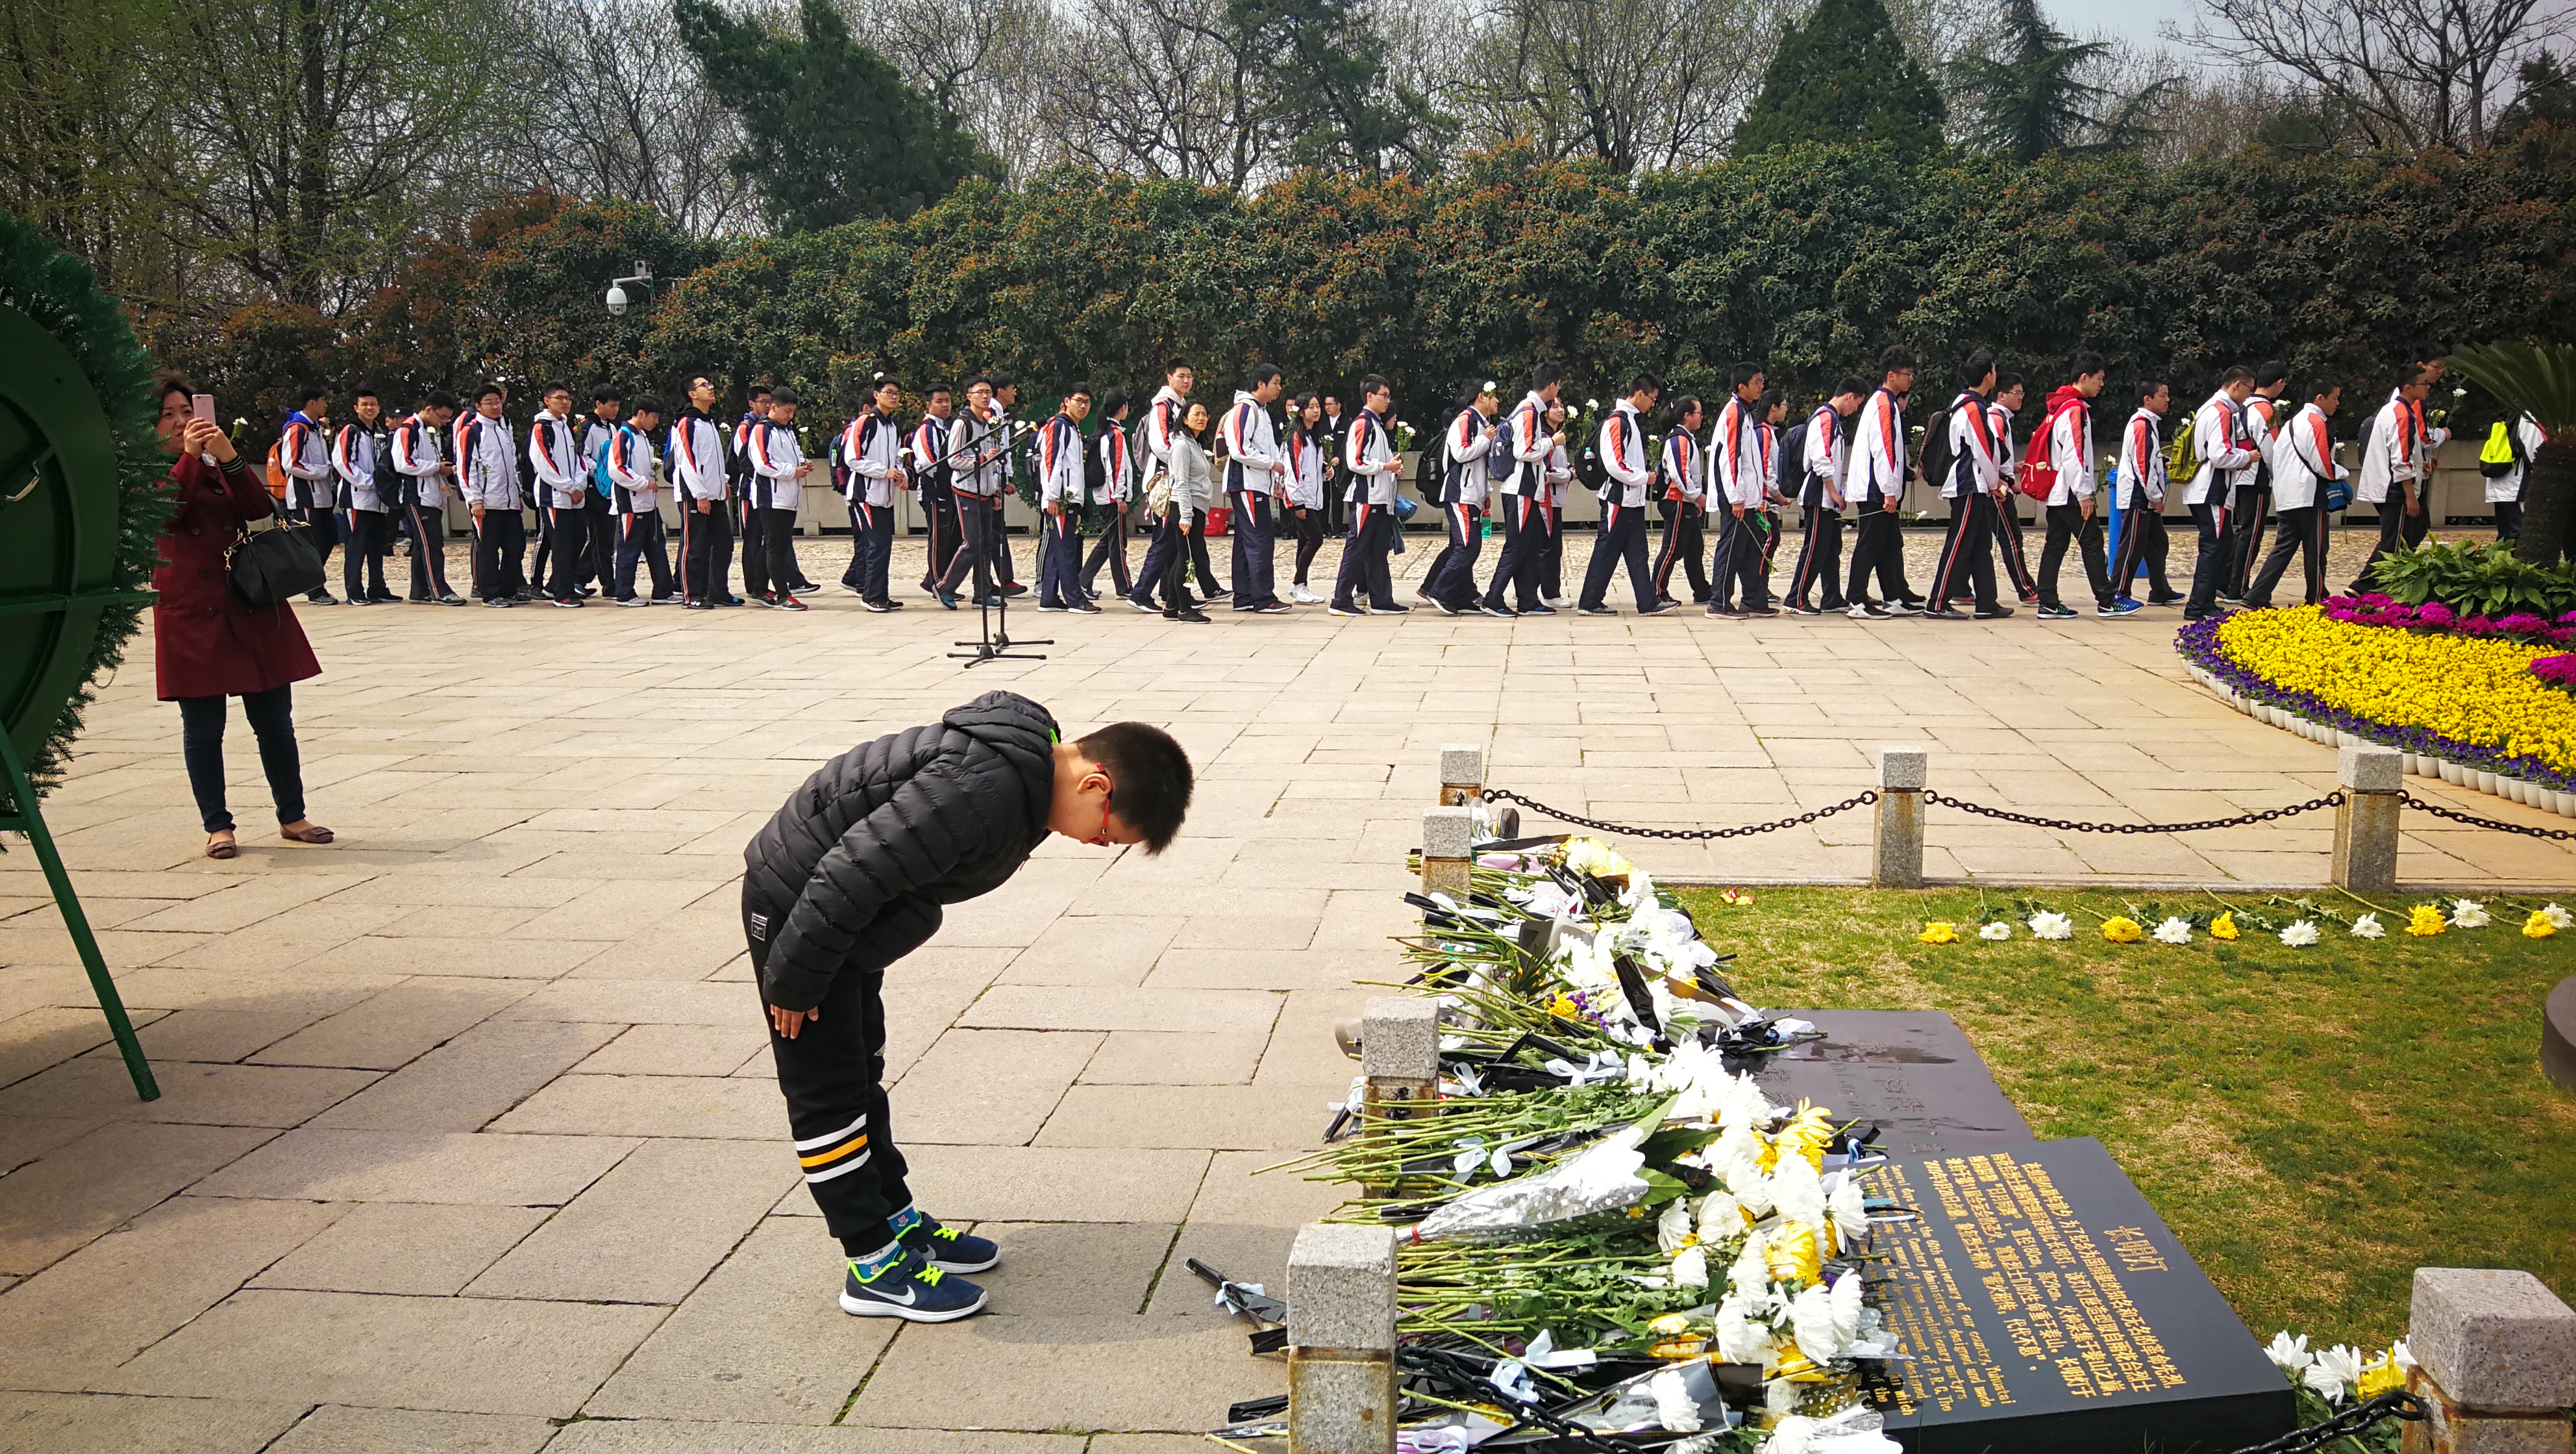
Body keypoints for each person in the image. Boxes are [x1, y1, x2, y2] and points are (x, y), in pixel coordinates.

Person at [743, 692, 1191, 1322]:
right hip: (801, 913)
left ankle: (895, 1221)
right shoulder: (980, 790)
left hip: (842, 925)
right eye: (1103, 834)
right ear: (1095, 784)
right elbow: (847, 873)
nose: (1092, 842)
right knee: (827, 1095)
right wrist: (792, 984)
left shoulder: (1021, 777)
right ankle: (871, 1264)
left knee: (861, 1073)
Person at [149, 373, 333, 859]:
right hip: (192, 609)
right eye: (168, 415)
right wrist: (191, 459)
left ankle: (292, 815)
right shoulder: (143, 472)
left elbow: (258, 511)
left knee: (276, 722)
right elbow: (166, 513)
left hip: (249, 599)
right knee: (203, 728)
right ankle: (217, 825)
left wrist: (229, 458)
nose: (181, 422)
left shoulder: (217, 462)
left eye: (187, 411)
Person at [2032, 354, 2127, 620]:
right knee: (2092, 542)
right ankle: (2107, 600)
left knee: (2055, 545)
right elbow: (2075, 453)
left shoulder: (2059, 406)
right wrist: (2084, 494)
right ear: (2084, 377)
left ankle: (2048, 602)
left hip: (2057, 491)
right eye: (2099, 379)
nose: (2102, 384)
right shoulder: (2075, 409)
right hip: (2071, 492)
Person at [2244, 382, 2347, 609]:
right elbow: (2322, 464)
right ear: (2320, 398)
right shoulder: (2316, 422)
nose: (2337, 403)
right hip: (2309, 495)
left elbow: (2276, 457)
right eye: (2335, 397)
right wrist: (2341, 473)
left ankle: (2257, 595)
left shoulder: (2291, 423)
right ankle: (2316, 597)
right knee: (2316, 549)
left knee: (2284, 548)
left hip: (2286, 495)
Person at [1577, 374, 1670, 616]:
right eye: (1652, 399)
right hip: (1618, 499)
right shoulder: (1618, 422)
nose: (1653, 404)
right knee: (1607, 550)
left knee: (1638, 553)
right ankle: (1589, 601)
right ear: (1639, 394)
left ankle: (1647, 602)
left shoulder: (1629, 421)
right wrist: (1644, 478)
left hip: (1632, 500)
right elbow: (1615, 465)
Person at [1924, 352, 2008, 620]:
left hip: (1972, 483)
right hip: (1968, 483)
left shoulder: (1965, 403)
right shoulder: (1973, 408)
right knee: (1958, 544)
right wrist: (1995, 483)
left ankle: (1987, 602)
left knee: (1981, 545)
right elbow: (1982, 449)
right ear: (1988, 376)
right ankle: (1937, 602)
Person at [1844, 347, 1924, 618]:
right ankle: (1856, 600)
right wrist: (1889, 490)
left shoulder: (1887, 403)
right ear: (1891, 375)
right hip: (1875, 489)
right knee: (1870, 545)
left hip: (1880, 487)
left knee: (1890, 545)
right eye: (1907, 374)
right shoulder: (1883, 404)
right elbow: (1884, 450)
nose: (1911, 378)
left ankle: (1894, 597)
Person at [2181, 367, 2261, 620]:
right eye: (2249, 390)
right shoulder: (2221, 411)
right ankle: (2197, 606)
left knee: (2221, 544)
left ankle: (2205, 603)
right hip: (2212, 490)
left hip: (2204, 489)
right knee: (2213, 548)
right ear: (2237, 385)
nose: (2249, 396)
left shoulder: (2209, 408)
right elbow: (2220, 455)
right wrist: (2247, 457)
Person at [1482, 366, 1563, 617]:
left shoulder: (1531, 410)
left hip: (1527, 488)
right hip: (1520, 488)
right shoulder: (1529, 411)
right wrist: (1551, 442)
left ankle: (1528, 600)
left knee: (1529, 546)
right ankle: (1493, 599)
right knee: (1516, 546)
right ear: (1552, 385)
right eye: (1559, 385)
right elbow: (1524, 451)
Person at [2351, 368, 2436, 593]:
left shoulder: (2393, 410)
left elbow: (2402, 452)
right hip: (2394, 488)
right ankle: (2366, 585)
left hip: (2389, 484)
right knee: (2394, 541)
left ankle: (2381, 582)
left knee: (2410, 532)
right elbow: (2400, 459)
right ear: (2409, 387)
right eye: (2424, 383)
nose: (2428, 388)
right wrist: (2410, 497)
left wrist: (2419, 465)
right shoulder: (2402, 413)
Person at [1785, 379, 1864, 615]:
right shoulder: (1826, 418)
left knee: (1831, 548)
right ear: (1849, 396)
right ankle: (1796, 598)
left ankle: (1832, 597)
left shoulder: (1833, 419)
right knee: (1815, 548)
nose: (1856, 409)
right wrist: (1833, 492)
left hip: (1827, 496)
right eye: (1857, 403)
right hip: (1819, 495)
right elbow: (1821, 459)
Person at [1220, 365, 1292, 614]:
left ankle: (1244, 596)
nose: (1279, 388)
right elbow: (1239, 449)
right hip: (1246, 484)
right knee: (1260, 540)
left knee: (1245, 541)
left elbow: (1267, 447)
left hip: (1257, 484)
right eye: (1275, 382)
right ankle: (1263, 598)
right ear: (1260, 384)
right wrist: (1272, 465)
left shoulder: (1262, 412)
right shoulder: (1245, 409)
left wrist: (1275, 480)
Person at [1331, 375, 1405, 617]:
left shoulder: (1376, 425)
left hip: (1379, 497)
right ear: (1370, 396)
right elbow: (1356, 462)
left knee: (1377, 551)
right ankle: (1341, 600)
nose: (1387, 400)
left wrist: (1392, 468)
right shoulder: (1363, 423)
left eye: (1389, 396)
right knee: (1357, 548)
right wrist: (1386, 467)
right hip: (1366, 497)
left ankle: (1382, 600)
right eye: (1384, 395)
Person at [1424, 381, 1498, 617]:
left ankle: (1462, 596)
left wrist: (1486, 492)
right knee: (1468, 546)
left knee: (1465, 545)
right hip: (1461, 493)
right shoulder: (1466, 420)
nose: (1497, 401)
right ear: (1482, 396)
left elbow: (1480, 465)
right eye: (1494, 396)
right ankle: (1440, 592)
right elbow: (1461, 453)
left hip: (1472, 494)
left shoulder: (1480, 423)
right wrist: (1486, 440)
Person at [2220, 361, 2290, 604]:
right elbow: (2272, 450)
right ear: (2279, 383)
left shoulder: (2240, 406)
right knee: (2251, 535)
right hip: (2255, 476)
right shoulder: (2264, 409)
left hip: (2237, 474)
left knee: (2239, 531)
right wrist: (2279, 476)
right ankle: (2237, 587)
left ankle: (2226, 581)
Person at [838, 376, 909, 612]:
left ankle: (881, 595)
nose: (894, 397)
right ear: (877, 395)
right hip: (865, 494)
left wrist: (900, 474)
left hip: (885, 496)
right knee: (876, 545)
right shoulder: (865, 422)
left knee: (884, 545)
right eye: (889, 392)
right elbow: (853, 459)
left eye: (897, 393)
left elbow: (895, 458)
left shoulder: (892, 426)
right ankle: (870, 596)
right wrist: (883, 472)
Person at [1707, 363, 1772, 617]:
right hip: (1735, 497)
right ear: (1741, 386)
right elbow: (1730, 458)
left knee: (1750, 551)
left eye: (1761, 381)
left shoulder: (1745, 413)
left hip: (1748, 498)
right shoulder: (1734, 412)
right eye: (1756, 382)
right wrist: (1736, 498)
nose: (1761, 386)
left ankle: (1754, 599)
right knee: (1731, 550)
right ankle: (1719, 602)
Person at [938, 378, 1008, 609]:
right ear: (969, 397)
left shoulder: (987, 423)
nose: (985, 396)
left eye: (988, 392)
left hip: (986, 492)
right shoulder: (962, 423)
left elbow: (992, 461)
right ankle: (944, 587)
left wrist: (995, 491)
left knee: (986, 544)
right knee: (971, 544)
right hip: (967, 489)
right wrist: (981, 459)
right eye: (980, 392)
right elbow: (953, 459)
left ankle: (982, 593)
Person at [1130, 362, 1194, 613]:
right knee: (1165, 539)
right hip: (1164, 481)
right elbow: (1160, 444)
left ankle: (1173, 595)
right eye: (1181, 376)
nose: (1186, 381)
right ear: (1169, 378)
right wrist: (1182, 463)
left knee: (1174, 542)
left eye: (1189, 376)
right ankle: (1141, 593)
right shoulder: (1163, 405)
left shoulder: (1179, 405)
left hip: (1174, 478)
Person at [2109, 380, 2178, 608]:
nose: (2167, 400)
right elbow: (2142, 466)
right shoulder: (2141, 425)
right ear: (2147, 399)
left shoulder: (2149, 424)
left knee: (2157, 543)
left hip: (2143, 495)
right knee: (2132, 545)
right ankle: (2118, 593)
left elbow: (2150, 457)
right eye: (2162, 395)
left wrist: (2165, 462)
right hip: (2138, 496)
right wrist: (2156, 497)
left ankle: (2160, 590)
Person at [391, 392, 465, 605]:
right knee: (431, 544)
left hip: (432, 494)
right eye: (441, 417)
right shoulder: (408, 430)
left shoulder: (430, 431)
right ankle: (439, 589)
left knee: (422, 544)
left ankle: (420, 590)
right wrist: (436, 468)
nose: (443, 422)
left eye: (447, 419)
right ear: (429, 409)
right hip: (416, 496)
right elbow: (404, 463)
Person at [670, 374, 735, 609]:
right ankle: (692, 595)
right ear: (692, 394)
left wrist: (723, 482)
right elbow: (687, 461)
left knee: (724, 544)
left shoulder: (709, 422)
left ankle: (717, 592)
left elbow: (712, 459)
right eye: (704, 385)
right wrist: (700, 494)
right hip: (695, 496)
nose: (711, 388)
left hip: (714, 495)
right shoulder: (687, 423)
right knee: (695, 546)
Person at [461, 383, 528, 606]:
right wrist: (475, 500)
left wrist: (517, 494)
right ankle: (490, 593)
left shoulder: (503, 429)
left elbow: (511, 465)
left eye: (497, 402)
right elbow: (466, 468)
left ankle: (509, 589)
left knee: (516, 546)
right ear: (478, 406)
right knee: (488, 549)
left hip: (509, 502)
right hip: (487, 503)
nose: (495, 406)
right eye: (489, 403)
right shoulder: (471, 431)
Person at [607, 395, 676, 606]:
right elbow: (617, 469)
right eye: (654, 417)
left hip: (649, 504)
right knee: (629, 550)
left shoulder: (642, 437)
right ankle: (625, 593)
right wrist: (643, 483)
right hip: (631, 504)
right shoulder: (624, 435)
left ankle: (663, 591)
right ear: (641, 414)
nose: (656, 422)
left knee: (657, 547)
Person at [747, 388, 813, 610]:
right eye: (787, 411)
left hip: (789, 496)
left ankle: (759, 589)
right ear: (773, 407)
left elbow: (794, 456)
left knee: (776, 544)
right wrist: (792, 471)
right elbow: (763, 464)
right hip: (771, 497)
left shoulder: (788, 431)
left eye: (793, 412)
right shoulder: (762, 430)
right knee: (776, 547)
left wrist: (803, 465)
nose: (790, 416)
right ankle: (783, 594)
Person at [1037, 384, 1099, 614]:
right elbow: (1051, 462)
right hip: (1061, 499)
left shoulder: (1073, 429)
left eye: (1087, 402)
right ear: (1066, 402)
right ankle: (1075, 599)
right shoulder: (1059, 426)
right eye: (1078, 401)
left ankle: (1049, 598)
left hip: (1070, 498)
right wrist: (1053, 496)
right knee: (1066, 551)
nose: (1083, 406)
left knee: (1057, 550)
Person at [332, 389, 396, 605]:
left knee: (377, 547)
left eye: (373, 404)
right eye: (365, 404)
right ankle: (354, 591)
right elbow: (342, 462)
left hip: (378, 501)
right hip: (357, 498)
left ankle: (377, 588)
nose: (370, 408)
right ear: (356, 408)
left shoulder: (379, 433)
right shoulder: (351, 431)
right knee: (356, 547)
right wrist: (369, 482)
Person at [528, 384, 589, 608]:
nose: (565, 402)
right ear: (547, 401)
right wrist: (569, 487)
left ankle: (557, 584)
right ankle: (563, 593)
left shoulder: (566, 427)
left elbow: (577, 458)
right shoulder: (542, 427)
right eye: (559, 398)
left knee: (578, 539)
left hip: (574, 496)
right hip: (554, 496)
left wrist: (579, 484)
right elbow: (544, 462)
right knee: (561, 545)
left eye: (567, 398)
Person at [278, 384, 339, 605]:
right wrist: (322, 471)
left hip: (322, 495)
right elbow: (291, 464)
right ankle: (314, 589)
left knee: (329, 537)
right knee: (312, 542)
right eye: (323, 400)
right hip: (305, 495)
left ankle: (308, 579)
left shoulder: (316, 429)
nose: (326, 405)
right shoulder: (298, 429)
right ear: (312, 402)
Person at [1159, 400, 1217, 622]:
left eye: (1205, 414)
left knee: (1183, 557)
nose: (1201, 418)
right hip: (1186, 507)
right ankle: (1185, 608)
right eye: (1196, 414)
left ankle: (1172, 606)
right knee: (1187, 559)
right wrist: (1186, 515)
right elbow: (1181, 482)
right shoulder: (1182, 445)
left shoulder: (1194, 444)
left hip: (1196, 507)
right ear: (1184, 419)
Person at [1652, 397, 1710, 606]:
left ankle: (1702, 591)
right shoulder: (1678, 440)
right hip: (1676, 501)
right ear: (1687, 416)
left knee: (1695, 548)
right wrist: (1698, 497)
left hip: (1685, 502)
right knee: (1672, 549)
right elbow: (1680, 475)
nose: (1701, 417)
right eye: (1699, 413)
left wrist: (1694, 501)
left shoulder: (1686, 439)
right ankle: (1656, 592)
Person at [1987, 375, 2039, 605]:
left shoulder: (1999, 418)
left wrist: (2013, 468)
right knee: (2011, 539)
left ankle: (1960, 589)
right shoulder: (1996, 419)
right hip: (1998, 490)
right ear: (2001, 395)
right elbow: (1992, 455)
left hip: (1996, 485)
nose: (2021, 398)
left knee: (1977, 541)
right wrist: (2005, 481)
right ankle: (2026, 589)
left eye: (2022, 393)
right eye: (2017, 393)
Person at [912, 383, 959, 603]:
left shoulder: (946, 428)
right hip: (934, 492)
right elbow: (930, 461)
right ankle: (937, 584)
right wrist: (947, 479)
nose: (945, 405)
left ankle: (936, 580)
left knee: (950, 539)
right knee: (938, 540)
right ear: (928, 405)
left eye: (947, 401)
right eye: (939, 401)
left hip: (948, 491)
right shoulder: (927, 429)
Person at [1283, 393, 1331, 604]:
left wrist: (1326, 470)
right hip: (1300, 499)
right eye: (1311, 407)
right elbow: (1292, 471)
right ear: (1301, 412)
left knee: (1304, 542)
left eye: (1317, 406)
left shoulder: (1314, 438)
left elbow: (1313, 466)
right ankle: (1297, 584)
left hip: (1311, 497)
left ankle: (1302, 586)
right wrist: (1297, 503)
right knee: (1315, 539)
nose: (1316, 410)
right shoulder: (1296, 437)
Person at [578, 388, 624, 598]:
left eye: (618, 406)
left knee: (605, 537)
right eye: (612, 405)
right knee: (601, 538)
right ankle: (609, 584)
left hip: (609, 488)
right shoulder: (587, 426)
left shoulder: (612, 428)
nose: (616, 410)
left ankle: (579, 576)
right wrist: (598, 471)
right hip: (593, 488)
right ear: (599, 404)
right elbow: (581, 456)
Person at [734, 386, 776, 601]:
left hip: (765, 492)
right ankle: (752, 586)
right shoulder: (746, 428)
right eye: (763, 402)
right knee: (752, 540)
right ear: (752, 404)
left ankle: (763, 584)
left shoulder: (770, 426)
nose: (767, 406)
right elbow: (745, 460)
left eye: (770, 402)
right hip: (749, 491)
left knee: (766, 539)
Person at [2484, 411, 2547, 545]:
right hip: (2516, 486)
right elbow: (2534, 452)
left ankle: (2503, 557)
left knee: (2505, 535)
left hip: (2500, 483)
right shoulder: (2529, 419)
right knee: (2521, 533)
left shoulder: (2509, 415)